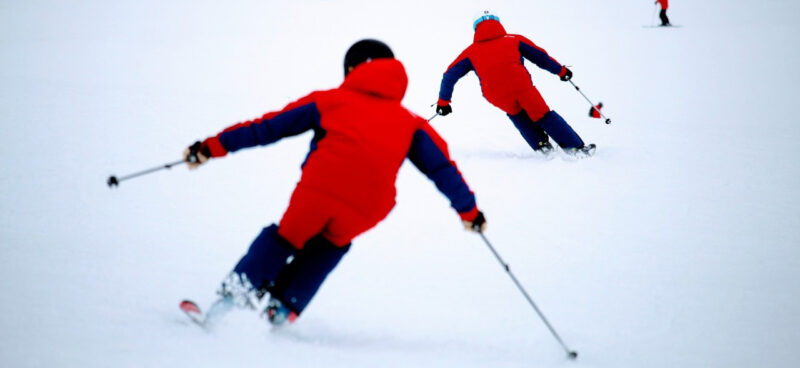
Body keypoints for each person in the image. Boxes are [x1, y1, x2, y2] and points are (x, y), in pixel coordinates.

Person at [182, 39, 487, 326]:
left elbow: (267, 128)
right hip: (369, 208)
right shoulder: (411, 122)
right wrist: (470, 213)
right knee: (329, 245)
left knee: (283, 240)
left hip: (319, 190)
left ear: (353, 69)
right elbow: (442, 169)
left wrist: (210, 147)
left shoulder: (330, 101)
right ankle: (282, 311)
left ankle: (225, 309)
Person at [436, 11, 595, 158]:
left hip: (495, 94)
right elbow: (541, 58)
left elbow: (449, 75)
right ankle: (575, 148)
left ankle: (542, 147)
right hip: (522, 86)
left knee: (517, 114)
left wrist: (443, 102)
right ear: (498, 23)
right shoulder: (514, 39)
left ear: (476, 28)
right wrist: (561, 71)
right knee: (542, 115)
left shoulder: (470, 52)